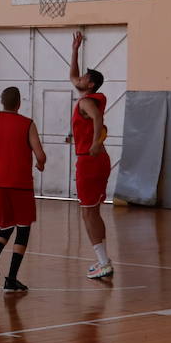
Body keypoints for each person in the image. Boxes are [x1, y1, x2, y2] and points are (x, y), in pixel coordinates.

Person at [0, 86, 47, 292]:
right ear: (19, 104)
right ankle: (11, 278)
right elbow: (40, 155)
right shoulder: (27, 124)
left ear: (2, 102)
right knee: (23, 228)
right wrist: (40, 164)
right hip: (19, 183)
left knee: (6, 225)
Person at [70, 30, 114, 279]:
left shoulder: (87, 102)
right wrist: (75, 50)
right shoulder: (92, 97)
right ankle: (103, 260)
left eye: (84, 77)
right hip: (98, 160)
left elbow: (97, 118)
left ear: (91, 84)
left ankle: (104, 263)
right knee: (93, 211)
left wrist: (96, 142)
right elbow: (72, 76)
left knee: (87, 212)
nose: (79, 78)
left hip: (89, 160)